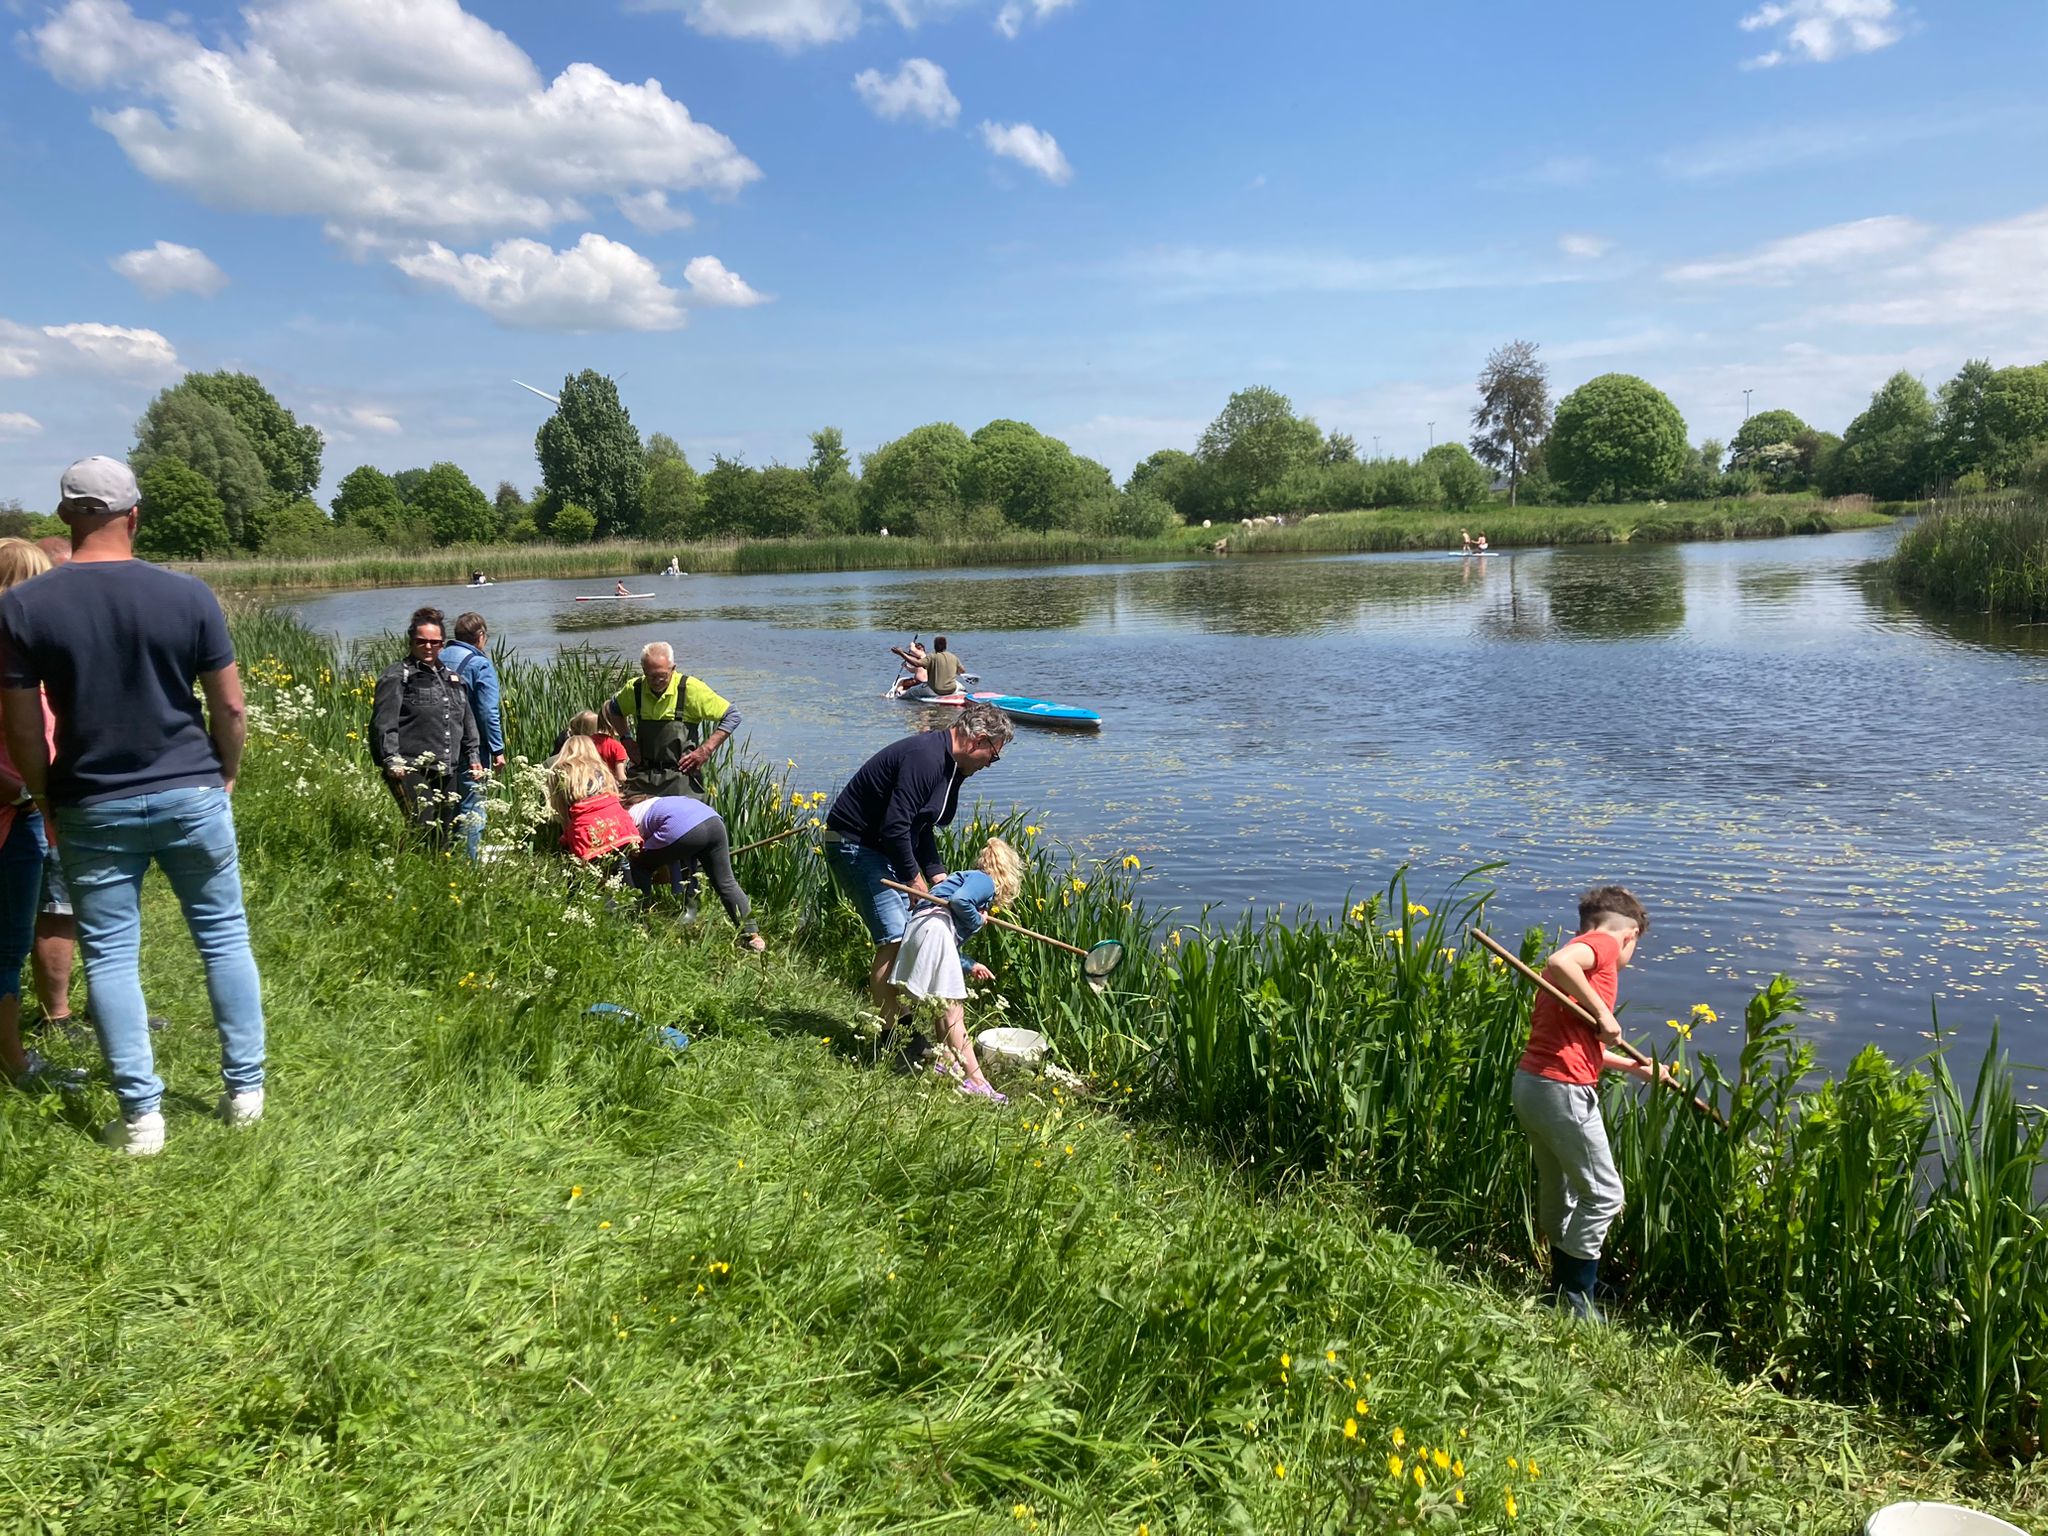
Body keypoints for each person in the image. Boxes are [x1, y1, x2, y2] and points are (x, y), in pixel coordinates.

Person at [0, 456, 265, 1155]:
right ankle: (245, 1093)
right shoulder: (190, 597)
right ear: (135, 515)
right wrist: (225, 775)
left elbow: (25, 726)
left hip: (91, 800)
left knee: (113, 955)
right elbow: (230, 706)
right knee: (224, 936)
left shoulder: (23, 607)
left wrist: (46, 792)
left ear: (64, 517)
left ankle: (142, 1118)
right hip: (192, 789)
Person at [1510, 885, 1674, 1322]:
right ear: (1630, 934)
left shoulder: (1572, 979)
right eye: (1634, 945)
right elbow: (1561, 961)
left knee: (1560, 1186)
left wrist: (1636, 1068)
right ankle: (1573, 1296)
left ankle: (1565, 1279)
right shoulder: (1601, 944)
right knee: (1604, 1194)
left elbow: (1578, 1045)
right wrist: (1605, 1013)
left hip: (1533, 1083)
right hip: (1562, 1091)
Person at [822, 702, 1014, 1041]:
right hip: (854, 844)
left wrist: (939, 879)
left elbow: (921, 827)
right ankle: (891, 1035)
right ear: (978, 740)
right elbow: (896, 826)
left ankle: (902, 1025)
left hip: (880, 848)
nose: (989, 764)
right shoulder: (926, 757)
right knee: (895, 936)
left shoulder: (953, 769)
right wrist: (917, 885)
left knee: (911, 928)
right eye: (993, 756)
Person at [0, 538, 65, 1087]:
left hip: (25, 812)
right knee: (7, 943)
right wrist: (22, 792)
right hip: (12, 814)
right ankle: (15, 1063)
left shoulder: (20, 651)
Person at [889, 837, 1023, 1103]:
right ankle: (977, 1082)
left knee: (941, 1007)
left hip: (920, 928)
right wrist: (978, 920)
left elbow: (948, 937)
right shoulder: (983, 880)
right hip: (935, 928)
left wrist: (970, 964)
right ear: (1006, 872)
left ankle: (946, 1064)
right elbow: (961, 902)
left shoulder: (967, 880)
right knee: (954, 1013)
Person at [370, 607, 482, 852]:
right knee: (422, 826)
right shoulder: (398, 676)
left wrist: (473, 756)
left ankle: (438, 878)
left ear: (442, 644)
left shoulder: (452, 678)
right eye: (422, 641)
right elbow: (383, 722)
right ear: (412, 641)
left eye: (434, 642)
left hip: (446, 766)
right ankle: (403, 870)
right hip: (410, 766)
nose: (428, 647)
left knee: (444, 831)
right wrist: (391, 760)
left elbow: (466, 719)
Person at [622, 794, 766, 951]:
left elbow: (636, 852)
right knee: (726, 882)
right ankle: (753, 937)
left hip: (681, 827)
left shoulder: (629, 815)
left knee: (640, 866)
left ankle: (638, 924)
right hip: (713, 821)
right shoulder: (664, 802)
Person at [603, 641, 740, 802]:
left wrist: (705, 750)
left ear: (673, 668)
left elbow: (732, 715)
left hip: (681, 778)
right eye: (650, 676)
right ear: (643, 670)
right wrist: (626, 739)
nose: (656, 681)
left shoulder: (690, 689)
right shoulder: (635, 689)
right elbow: (614, 709)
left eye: (662, 675)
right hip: (642, 777)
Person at [440, 611, 504, 860]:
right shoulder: (480, 664)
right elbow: (488, 712)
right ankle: (470, 869)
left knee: (447, 807)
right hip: (472, 748)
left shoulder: (440, 657)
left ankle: (448, 858)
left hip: (440, 743)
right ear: (480, 636)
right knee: (472, 808)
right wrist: (497, 749)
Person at [547, 736, 641, 864]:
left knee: (586, 878)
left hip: (588, 833)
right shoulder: (602, 770)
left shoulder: (561, 773)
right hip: (621, 826)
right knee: (623, 869)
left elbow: (562, 815)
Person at [562, 710, 628, 785]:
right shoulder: (616, 746)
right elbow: (621, 777)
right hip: (608, 787)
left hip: (581, 786)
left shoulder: (572, 746)